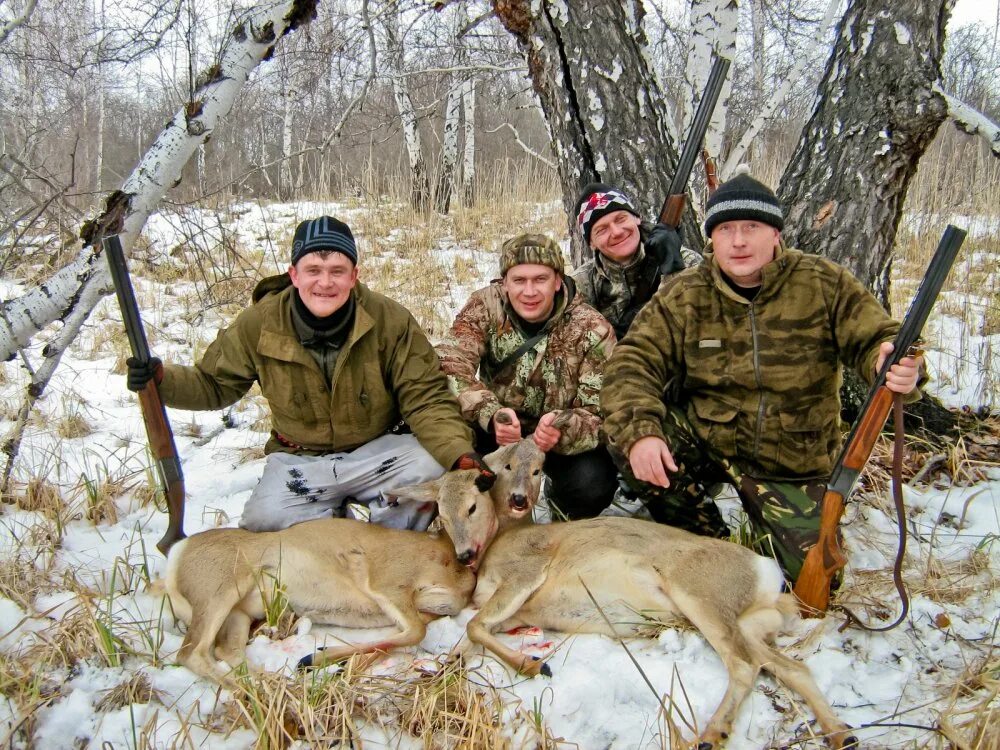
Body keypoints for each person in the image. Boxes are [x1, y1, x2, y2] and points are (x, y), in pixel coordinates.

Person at [600, 171, 924, 580]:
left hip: (790, 459)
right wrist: (642, 434)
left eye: (751, 227)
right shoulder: (685, 294)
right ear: (711, 240)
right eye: (726, 230)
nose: (738, 241)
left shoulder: (823, 283)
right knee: (626, 432)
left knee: (817, 578)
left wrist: (895, 366)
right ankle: (705, 541)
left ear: (775, 234)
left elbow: (877, 338)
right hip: (710, 440)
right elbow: (632, 361)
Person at [126, 216, 485, 532]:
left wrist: (458, 454)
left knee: (432, 466)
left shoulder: (391, 321)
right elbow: (214, 385)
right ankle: (333, 529)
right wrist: (162, 381)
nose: (325, 283)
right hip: (300, 459)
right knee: (264, 523)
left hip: (377, 453)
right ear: (294, 274)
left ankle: (387, 543)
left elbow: (426, 398)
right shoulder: (258, 323)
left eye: (337, 271)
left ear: (355, 275)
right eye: (313, 270)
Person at [437, 233, 619, 519]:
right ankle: (475, 524)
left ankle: (561, 515)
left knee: (592, 483)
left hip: (556, 438)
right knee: (448, 451)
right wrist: (489, 413)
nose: (529, 291)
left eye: (540, 279)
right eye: (519, 280)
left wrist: (564, 428)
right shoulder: (485, 306)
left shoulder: (592, 327)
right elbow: (449, 363)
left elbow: (604, 410)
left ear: (558, 281)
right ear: (504, 282)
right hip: (496, 430)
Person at [571, 183, 703, 339]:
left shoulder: (687, 262)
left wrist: (673, 271)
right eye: (602, 230)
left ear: (637, 218)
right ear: (591, 243)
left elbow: (703, 325)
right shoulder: (579, 286)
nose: (617, 232)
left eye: (621, 219)